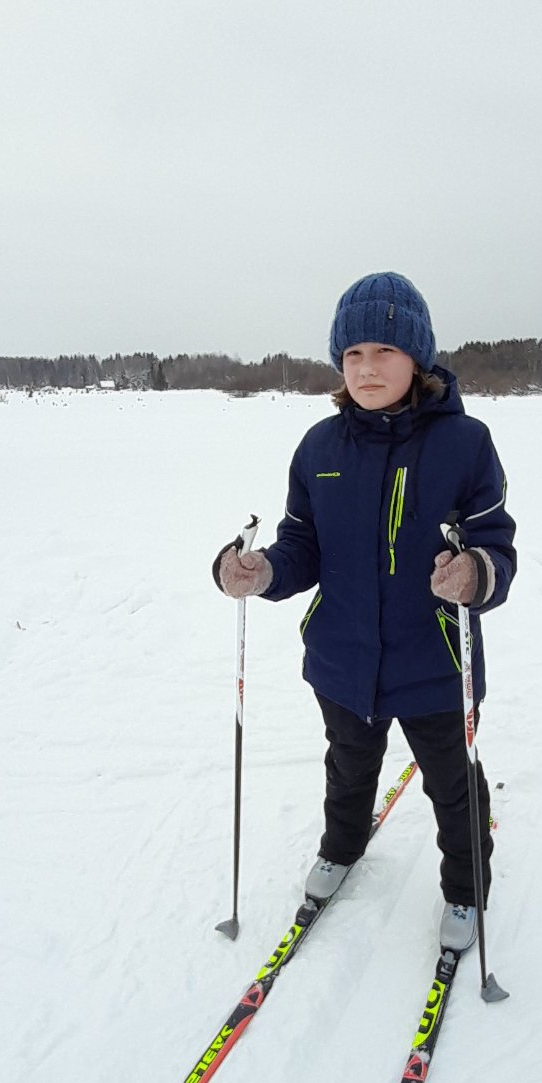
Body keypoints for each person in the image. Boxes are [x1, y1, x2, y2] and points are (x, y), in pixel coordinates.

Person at [213, 272, 517, 953]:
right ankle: (341, 847)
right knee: (348, 765)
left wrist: (473, 575)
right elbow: (300, 546)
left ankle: (466, 891)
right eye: (353, 355)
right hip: (342, 657)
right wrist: (260, 572)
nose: (367, 368)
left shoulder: (466, 444)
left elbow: (497, 548)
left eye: (383, 352)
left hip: (435, 662)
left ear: (418, 359)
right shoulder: (319, 448)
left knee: (451, 785)